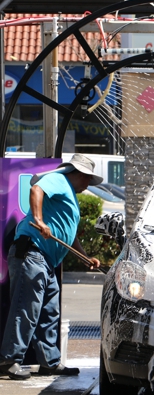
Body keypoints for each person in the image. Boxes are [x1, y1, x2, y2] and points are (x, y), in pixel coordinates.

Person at [0, 154, 103, 380]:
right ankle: (10, 359)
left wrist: (85, 257)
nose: (88, 185)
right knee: (26, 308)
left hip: (45, 260)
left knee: (49, 311)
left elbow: (68, 233)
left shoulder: (70, 195)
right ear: (79, 174)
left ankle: (49, 361)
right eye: (88, 180)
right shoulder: (59, 179)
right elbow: (36, 189)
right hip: (32, 253)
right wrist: (39, 220)